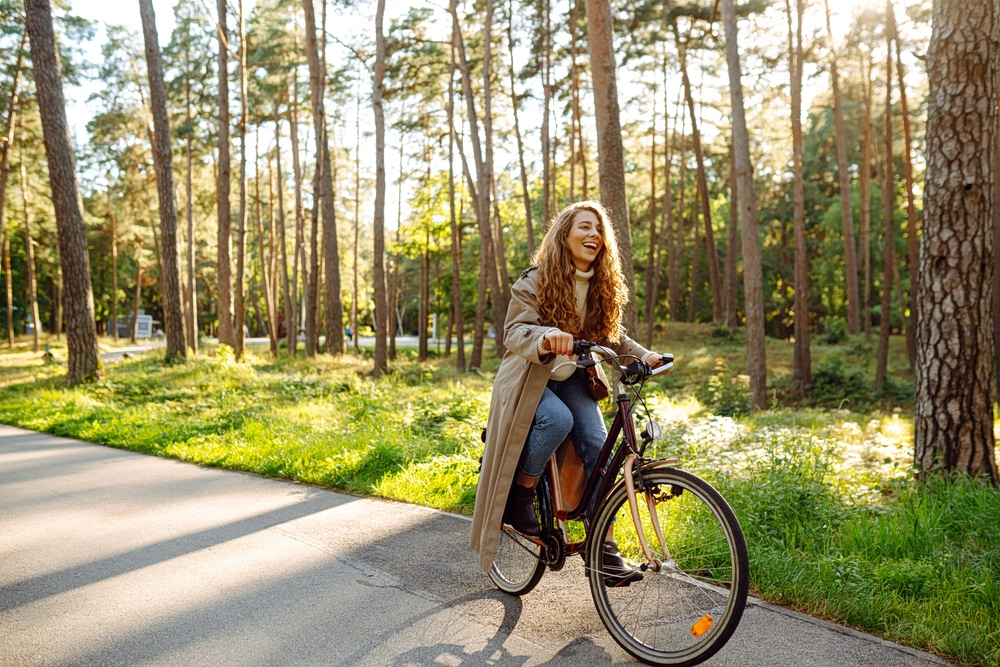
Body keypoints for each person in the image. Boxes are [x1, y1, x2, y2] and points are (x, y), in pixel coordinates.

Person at [470, 200, 666, 587]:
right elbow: (513, 332)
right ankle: (519, 496)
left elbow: (612, 337)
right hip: (531, 377)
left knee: (598, 446)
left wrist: (644, 356)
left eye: (598, 229)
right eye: (584, 227)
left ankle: (603, 548)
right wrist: (547, 336)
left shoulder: (600, 285)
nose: (593, 234)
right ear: (565, 234)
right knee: (557, 419)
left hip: (575, 377)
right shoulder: (537, 277)